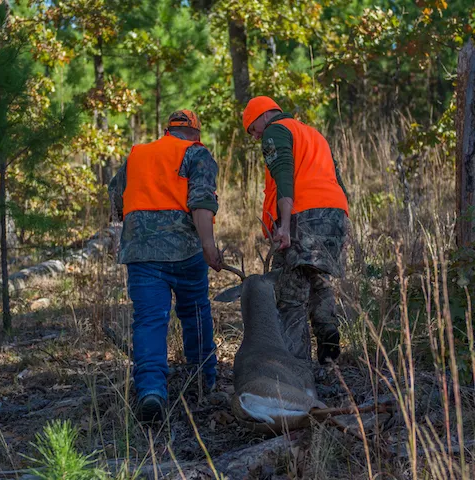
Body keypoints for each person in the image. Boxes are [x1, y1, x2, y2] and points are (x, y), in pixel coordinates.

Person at [109, 110, 222, 423]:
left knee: (149, 320)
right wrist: (209, 247)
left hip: (141, 252)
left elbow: (116, 197)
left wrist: (131, 227)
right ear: (195, 134)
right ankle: (203, 382)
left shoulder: (138, 155)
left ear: (167, 131)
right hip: (185, 251)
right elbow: (201, 202)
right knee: (196, 311)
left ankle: (151, 392)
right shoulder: (197, 154)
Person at [242, 96, 349, 365]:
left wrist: (285, 226)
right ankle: (329, 352)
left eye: (253, 130)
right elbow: (337, 180)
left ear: (261, 117)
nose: (256, 138)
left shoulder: (275, 131)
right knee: (317, 280)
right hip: (333, 215)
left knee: (290, 294)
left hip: (303, 216)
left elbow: (284, 178)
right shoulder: (312, 134)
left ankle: (296, 365)